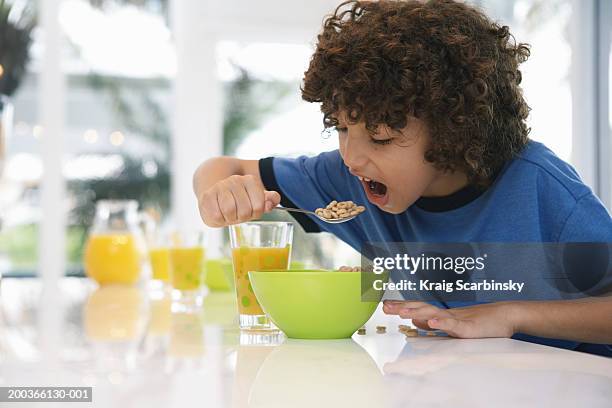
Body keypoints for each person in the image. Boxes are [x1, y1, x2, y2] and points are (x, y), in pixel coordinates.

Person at [193, 0, 612, 355]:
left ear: (453, 128)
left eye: (380, 137)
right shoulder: (351, 182)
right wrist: (219, 196)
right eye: (341, 128)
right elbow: (222, 168)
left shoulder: (539, 188)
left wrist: (511, 313)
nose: (352, 157)